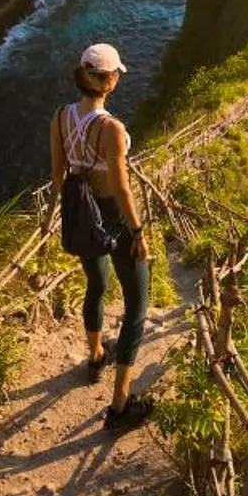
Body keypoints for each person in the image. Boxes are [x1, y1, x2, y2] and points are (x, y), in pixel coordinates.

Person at [50, 41, 153, 431]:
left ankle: (95, 357)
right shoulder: (111, 128)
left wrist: (65, 213)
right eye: (116, 74)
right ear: (110, 81)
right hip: (113, 212)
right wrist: (138, 232)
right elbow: (123, 189)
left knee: (96, 284)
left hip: (81, 210)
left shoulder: (59, 117)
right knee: (137, 305)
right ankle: (119, 406)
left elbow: (58, 176)